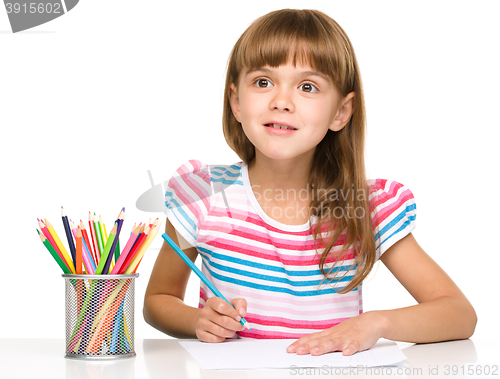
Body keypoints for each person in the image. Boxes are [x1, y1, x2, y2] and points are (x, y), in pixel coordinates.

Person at [143, 9, 477, 357]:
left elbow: (458, 313)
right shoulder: (203, 195)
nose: (281, 102)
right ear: (236, 101)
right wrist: (197, 321)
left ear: (341, 113)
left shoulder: (367, 205)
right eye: (262, 82)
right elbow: (158, 300)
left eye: (307, 87)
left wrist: (377, 323)